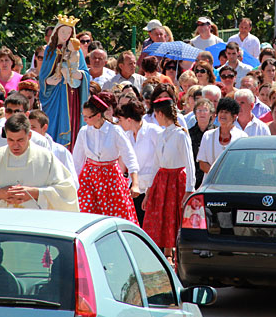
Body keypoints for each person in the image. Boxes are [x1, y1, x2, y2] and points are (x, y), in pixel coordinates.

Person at [0, 114, 79, 210]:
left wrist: (35, 193)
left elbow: (67, 193)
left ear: (29, 135)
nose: (15, 145)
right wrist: (0, 193)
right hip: (1, 225)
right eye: (11, 140)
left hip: (35, 226)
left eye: (20, 140)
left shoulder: (46, 158)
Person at [73, 93, 140, 224]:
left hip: (111, 178)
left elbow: (129, 156)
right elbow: (77, 161)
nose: (85, 119)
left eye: (88, 116)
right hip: (89, 178)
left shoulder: (115, 130)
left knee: (116, 216)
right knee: (87, 216)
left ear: (98, 115)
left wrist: (135, 183)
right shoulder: (84, 132)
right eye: (83, 116)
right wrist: (74, 185)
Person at [141, 97, 196, 258]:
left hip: (176, 180)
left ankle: (174, 256)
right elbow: (156, 164)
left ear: (160, 113)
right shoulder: (161, 134)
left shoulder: (180, 135)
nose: (155, 118)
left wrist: (189, 189)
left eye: (156, 114)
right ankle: (164, 255)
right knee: (161, 219)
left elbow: (189, 162)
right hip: (162, 180)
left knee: (174, 219)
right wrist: (149, 191)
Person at [39, 14, 91, 149]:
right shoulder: (49, 51)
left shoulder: (76, 51)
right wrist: (49, 81)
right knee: (55, 124)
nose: (65, 35)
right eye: (62, 31)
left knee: (72, 125)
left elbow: (85, 73)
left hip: (72, 95)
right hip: (56, 95)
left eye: (68, 33)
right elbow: (43, 75)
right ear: (56, 32)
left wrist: (78, 75)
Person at [28, 109, 79, 189]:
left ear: (44, 128)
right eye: (28, 128)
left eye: (33, 127)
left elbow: (72, 182)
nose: (30, 131)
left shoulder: (61, 152)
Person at [197, 98, 246, 174]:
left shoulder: (242, 137)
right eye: (221, 111)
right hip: (211, 181)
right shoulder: (208, 135)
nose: (223, 115)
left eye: (226, 112)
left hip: (233, 180)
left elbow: (244, 163)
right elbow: (202, 163)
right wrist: (217, 175)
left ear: (234, 116)